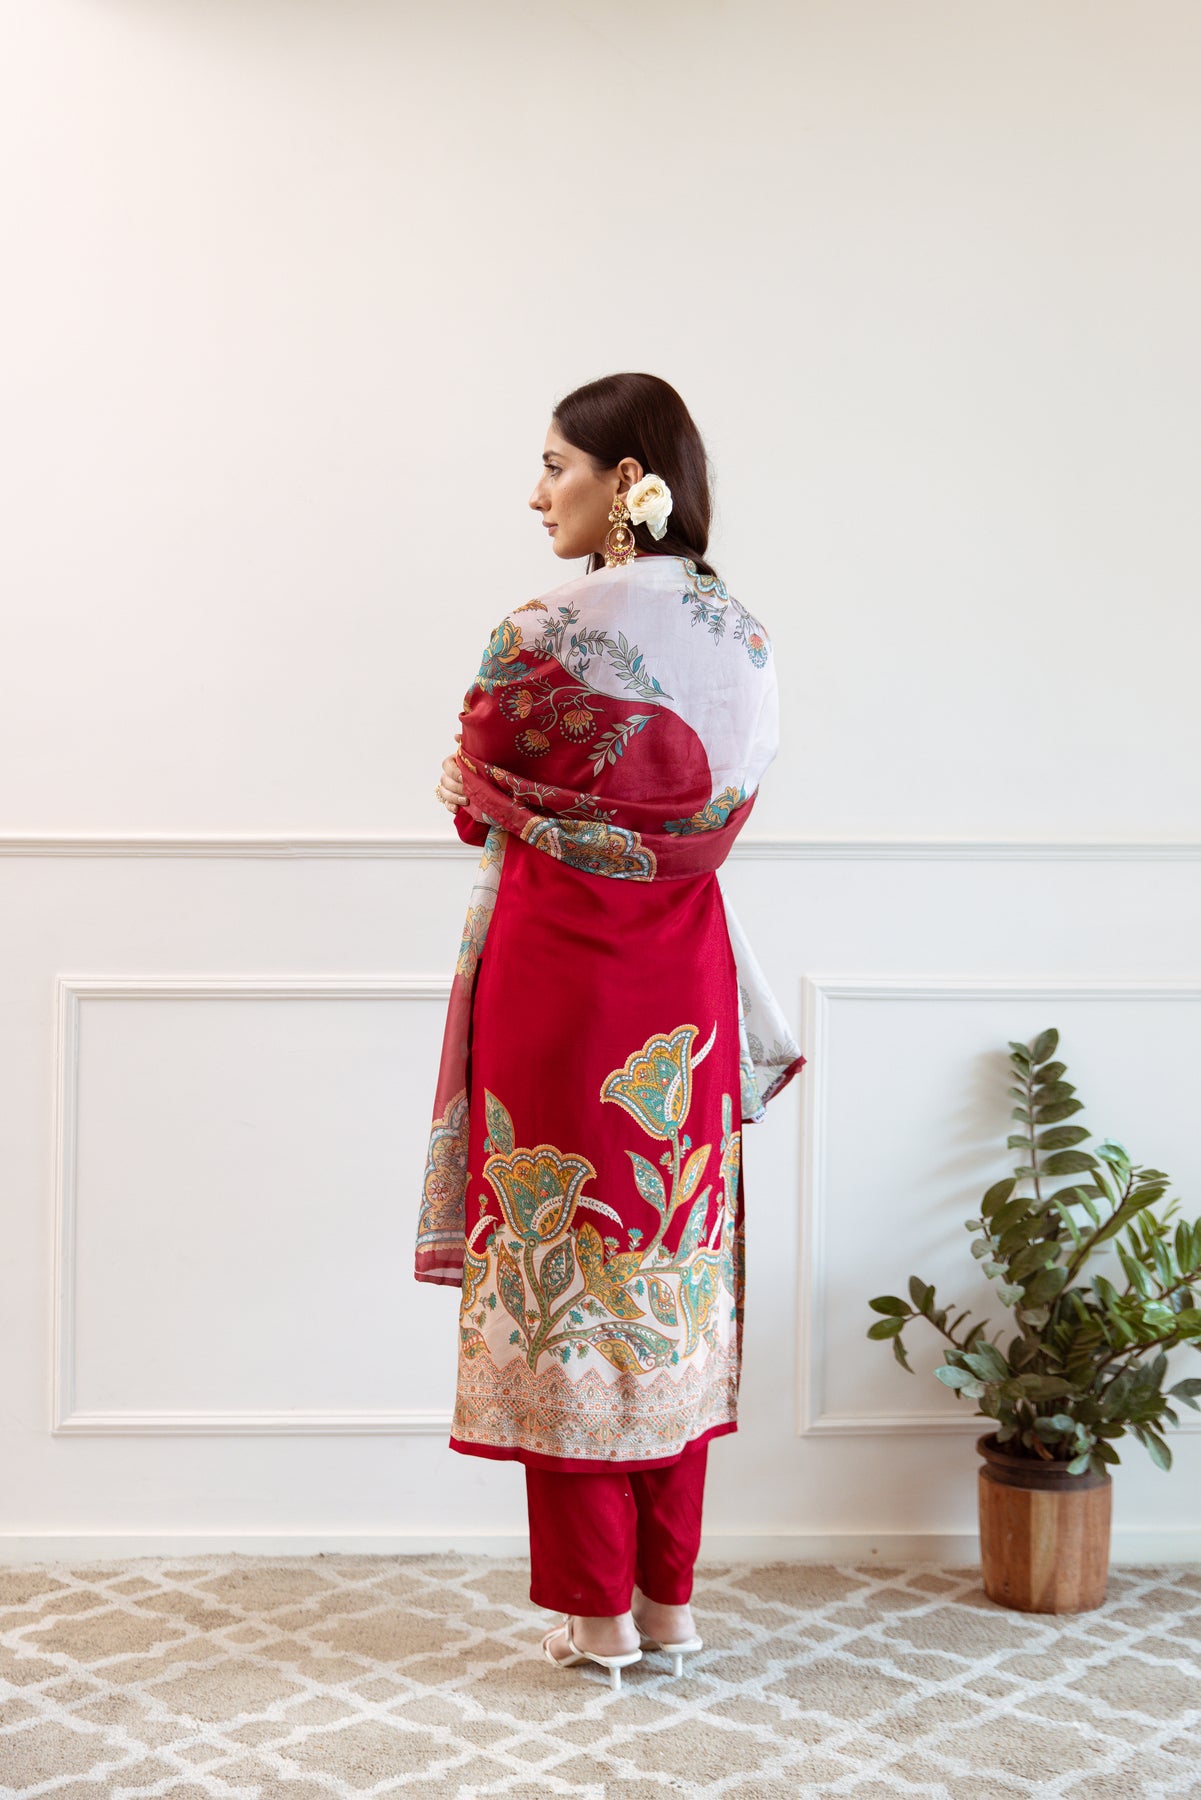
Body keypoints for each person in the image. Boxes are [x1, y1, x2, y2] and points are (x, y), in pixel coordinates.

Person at [417, 371, 804, 1688]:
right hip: (681, 973)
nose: (537, 496)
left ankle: (596, 1616)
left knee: (564, 1270)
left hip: (555, 976)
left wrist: (512, 802)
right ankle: (668, 1603)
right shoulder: (745, 639)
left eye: (556, 467)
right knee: (666, 1267)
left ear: (626, 479)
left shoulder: (537, 631)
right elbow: (720, 815)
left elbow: (472, 798)